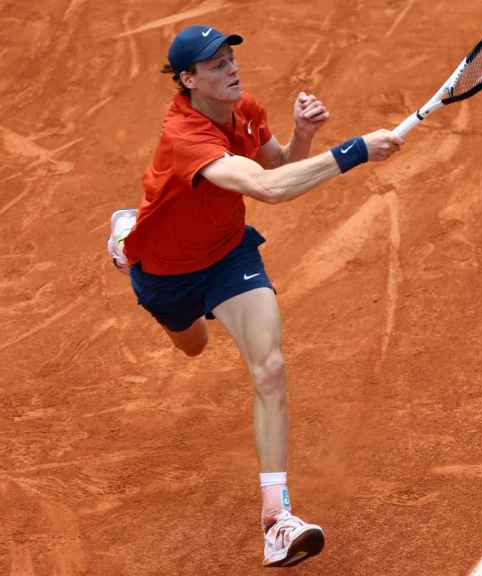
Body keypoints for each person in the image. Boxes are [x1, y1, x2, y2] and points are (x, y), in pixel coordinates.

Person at [106, 24, 403, 568]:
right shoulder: (185, 136)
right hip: (167, 273)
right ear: (188, 79)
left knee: (269, 369)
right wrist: (356, 150)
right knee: (191, 344)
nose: (230, 68)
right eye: (214, 64)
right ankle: (129, 235)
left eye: (229, 57)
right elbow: (268, 191)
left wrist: (303, 135)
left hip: (228, 257)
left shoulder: (245, 109)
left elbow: (276, 168)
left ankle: (277, 518)